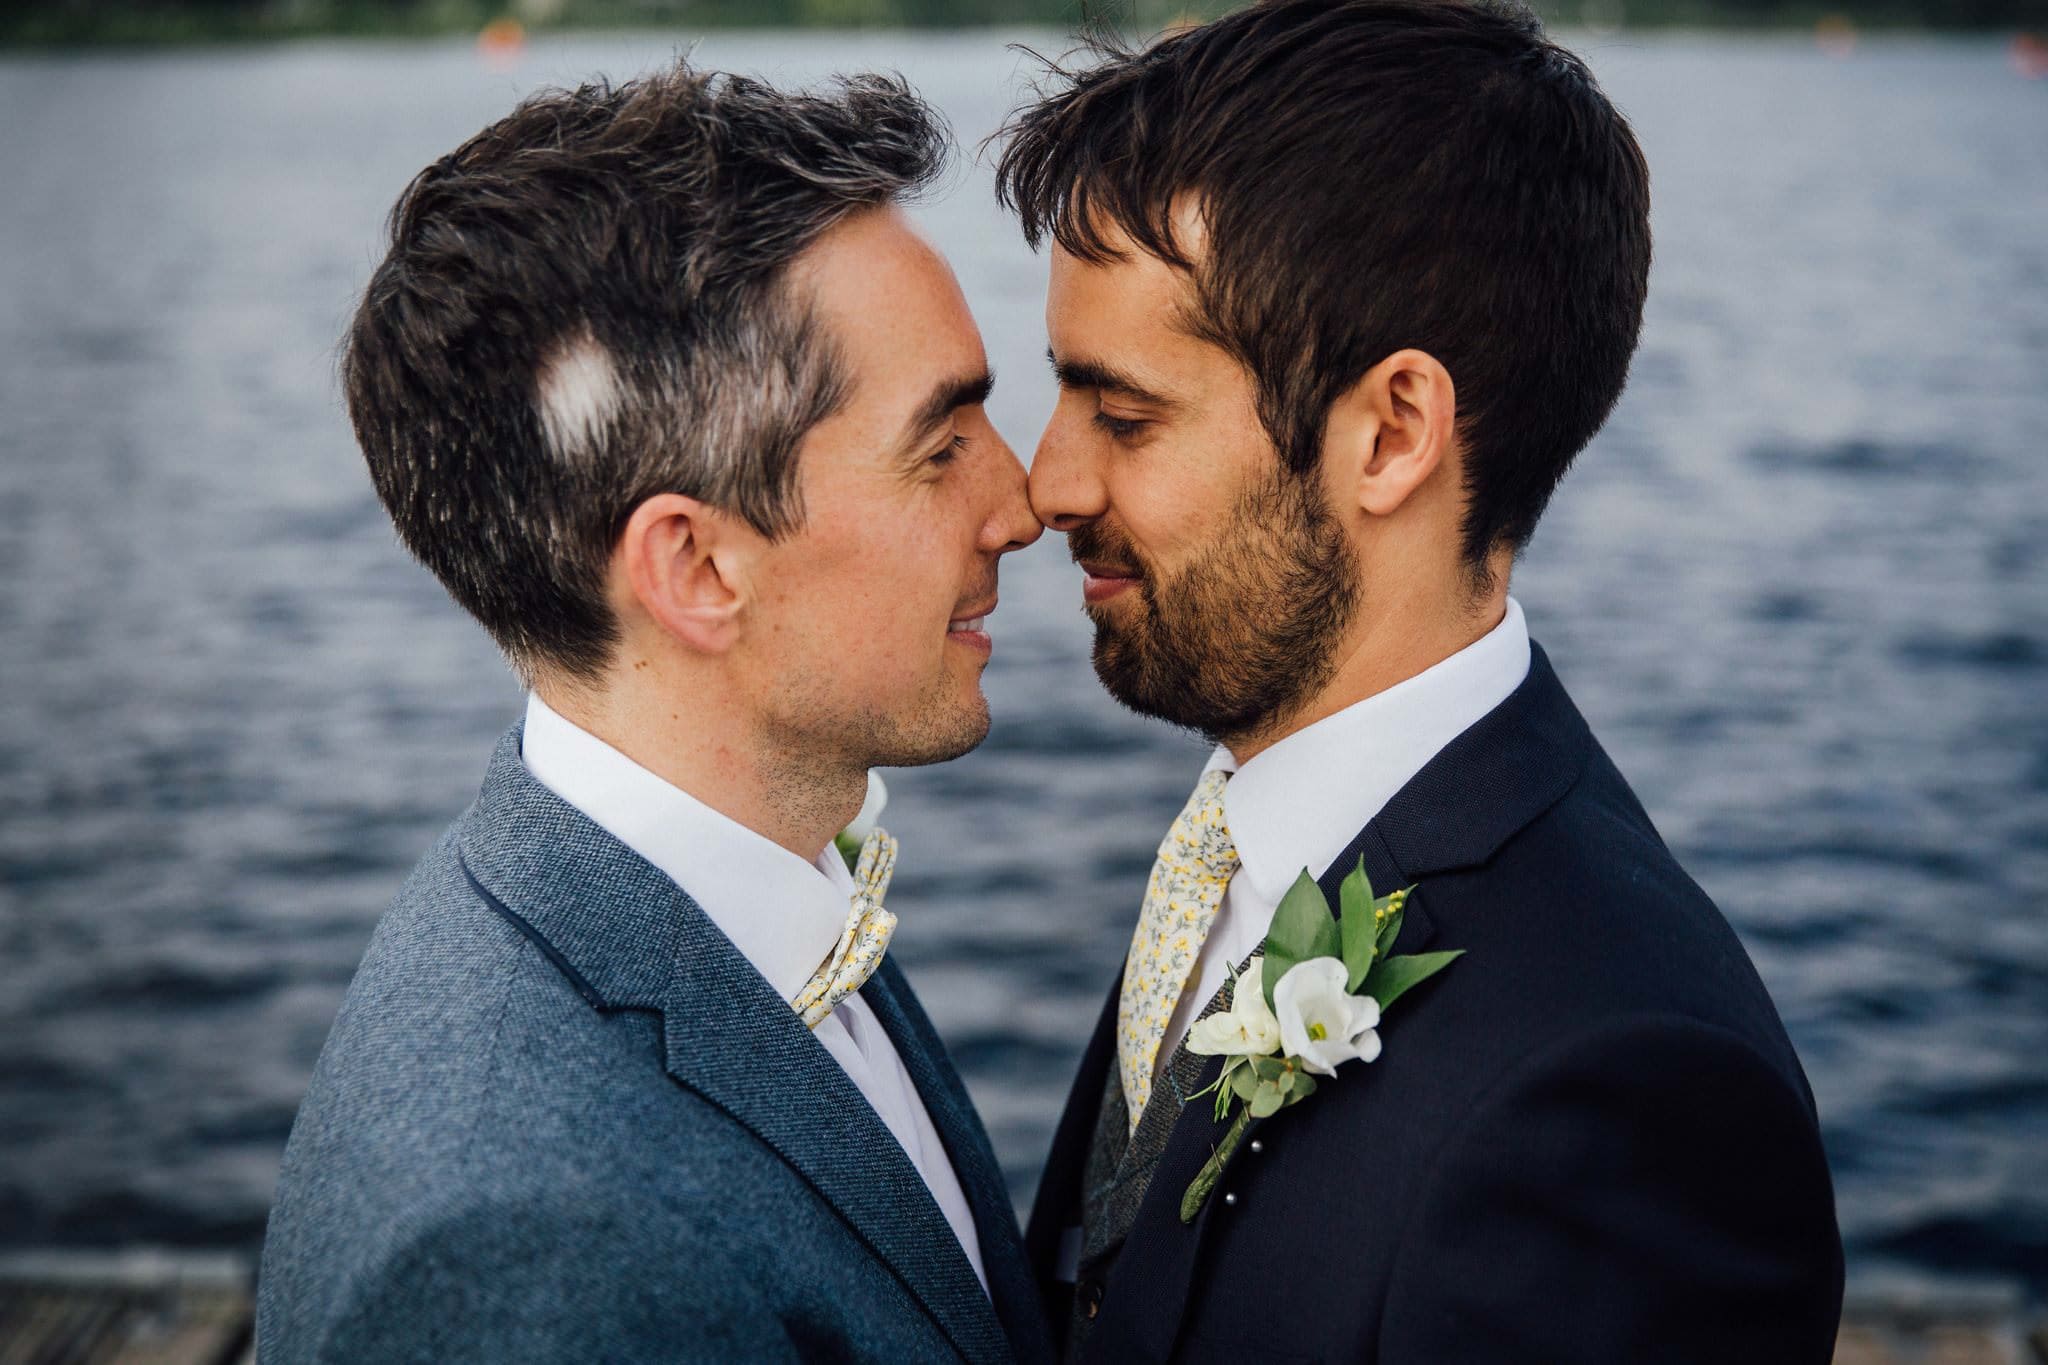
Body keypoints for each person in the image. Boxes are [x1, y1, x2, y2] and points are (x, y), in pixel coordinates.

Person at [995, 1, 1844, 1360]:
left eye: (1126, 415)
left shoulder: (1620, 1096)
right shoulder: (1242, 845)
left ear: (1391, 433)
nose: (1047, 483)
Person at [257, 63, 1053, 1364]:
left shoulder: (727, 887)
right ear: (695, 568)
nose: (1025, 502)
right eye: (942, 441)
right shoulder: (543, 1263)